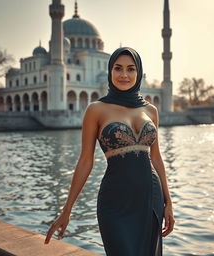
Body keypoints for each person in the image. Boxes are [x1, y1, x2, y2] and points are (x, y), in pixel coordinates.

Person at [44, 47, 175, 255]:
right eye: (118, 68)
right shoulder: (96, 109)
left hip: (150, 196)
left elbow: (156, 158)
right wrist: (67, 209)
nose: (124, 74)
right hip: (115, 200)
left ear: (138, 73)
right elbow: (86, 160)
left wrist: (169, 202)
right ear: (109, 71)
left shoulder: (150, 110)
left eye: (131, 69)